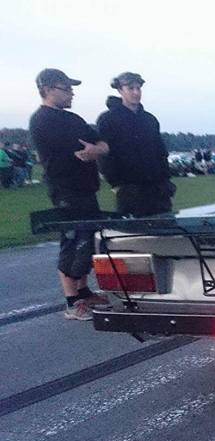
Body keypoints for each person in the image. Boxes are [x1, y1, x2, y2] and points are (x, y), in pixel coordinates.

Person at [29, 68, 110, 320]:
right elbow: (64, 153)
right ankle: (72, 301)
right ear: (48, 89)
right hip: (65, 189)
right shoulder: (41, 120)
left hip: (87, 188)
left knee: (88, 239)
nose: (71, 93)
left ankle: (84, 290)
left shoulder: (73, 119)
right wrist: (84, 153)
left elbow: (101, 144)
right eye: (66, 88)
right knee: (73, 240)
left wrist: (96, 150)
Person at [96, 72, 175, 217]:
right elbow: (104, 154)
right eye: (131, 88)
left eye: (138, 88)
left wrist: (166, 180)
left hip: (158, 189)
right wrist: (116, 184)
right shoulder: (108, 119)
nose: (136, 92)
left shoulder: (150, 120)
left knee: (166, 226)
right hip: (129, 190)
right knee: (135, 229)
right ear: (120, 90)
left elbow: (160, 152)